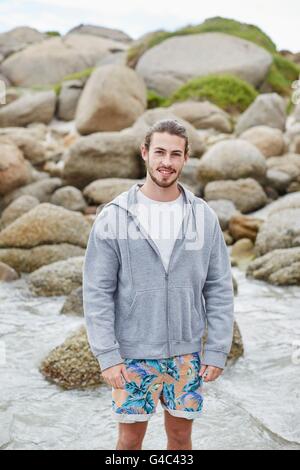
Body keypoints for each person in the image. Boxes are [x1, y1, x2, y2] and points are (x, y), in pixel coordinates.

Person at [83, 119, 234, 450]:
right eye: (160, 152)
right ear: (145, 153)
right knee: (129, 441)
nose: (167, 162)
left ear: (186, 158)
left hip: (186, 355)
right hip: (133, 355)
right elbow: (97, 292)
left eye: (175, 154)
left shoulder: (203, 217)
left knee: (181, 440)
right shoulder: (115, 216)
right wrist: (107, 355)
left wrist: (218, 349)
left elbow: (220, 288)